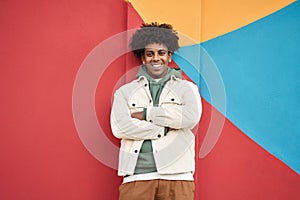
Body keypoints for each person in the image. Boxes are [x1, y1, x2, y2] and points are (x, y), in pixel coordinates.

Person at [110, 22, 202, 200]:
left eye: (161, 53)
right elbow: (119, 127)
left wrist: (146, 114)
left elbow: (190, 117)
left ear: (169, 56)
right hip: (137, 176)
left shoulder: (187, 88)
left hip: (178, 175)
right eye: (150, 54)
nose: (156, 58)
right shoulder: (124, 92)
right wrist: (163, 129)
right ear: (143, 58)